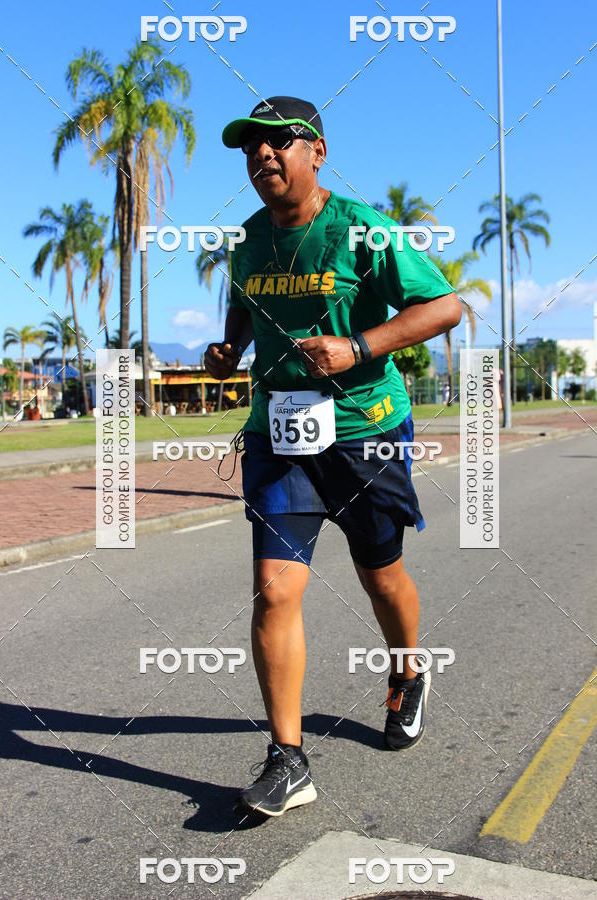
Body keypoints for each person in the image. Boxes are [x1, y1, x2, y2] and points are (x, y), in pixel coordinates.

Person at [204, 96, 461, 818]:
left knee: (380, 576)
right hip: (279, 436)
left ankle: (408, 671)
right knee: (276, 589)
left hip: (363, 430)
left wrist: (359, 346)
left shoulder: (362, 231)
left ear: (317, 153)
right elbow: (243, 316)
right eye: (251, 147)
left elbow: (444, 307)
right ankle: (289, 760)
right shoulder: (249, 243)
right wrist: (228, 353)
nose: (262, 156)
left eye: (279, 142)